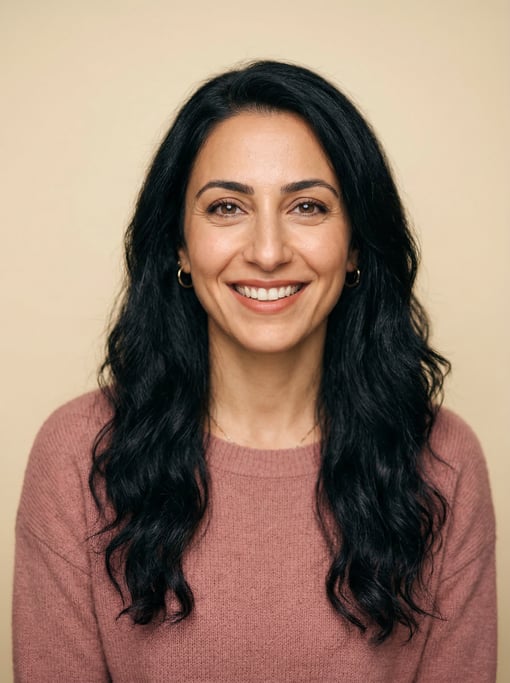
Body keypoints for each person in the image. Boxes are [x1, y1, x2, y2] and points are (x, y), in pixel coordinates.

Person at [13, 61, 496, 682]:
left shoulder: (444, 461)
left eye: (307, 206)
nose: (268, 252)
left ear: (354, 245)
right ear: (180, 246)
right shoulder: (77, 455)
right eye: (226, 207)